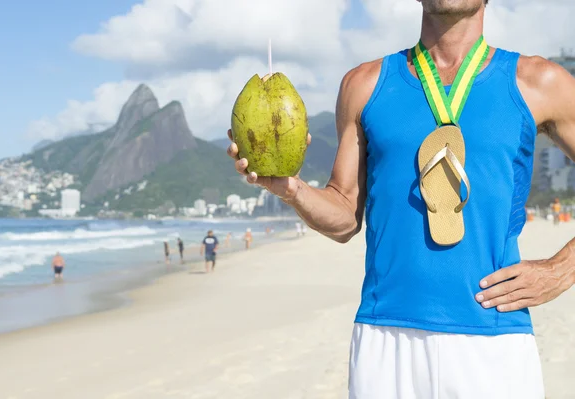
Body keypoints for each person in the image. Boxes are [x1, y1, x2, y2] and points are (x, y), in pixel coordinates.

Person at [226, 1, 575, 397]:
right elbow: (344, 215)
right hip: (384, 335)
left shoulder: (540, 82)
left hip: (494, 337)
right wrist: (291, 189)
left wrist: (562, 269)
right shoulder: (364, 84)